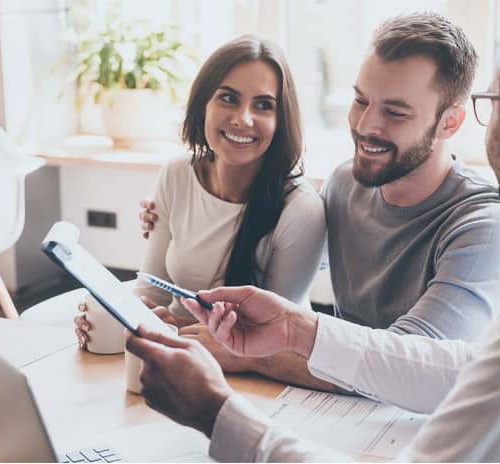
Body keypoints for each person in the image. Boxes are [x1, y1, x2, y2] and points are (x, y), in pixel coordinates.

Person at [127, 0, 500, 460]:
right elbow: (461, 368)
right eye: (360, 100)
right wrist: (300, 330)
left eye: (490, 105)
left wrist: (217, 413)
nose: (366, 125)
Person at [138, 12, 500, 390]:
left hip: (435, 434)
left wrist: (249, 355)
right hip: (336, 411)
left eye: (395, 112)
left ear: (450, 122)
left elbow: (409, 369)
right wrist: (178, 216)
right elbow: (284, 241)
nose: (365, 127)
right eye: (361, 101)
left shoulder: (489, 228)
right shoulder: (347, 183)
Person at [74, 35, 326, 354]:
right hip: (175, 352)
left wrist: (175, 329)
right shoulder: (177, 175)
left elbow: (275, 341)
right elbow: (151, 291)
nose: (243, 118)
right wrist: (111, 317)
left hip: (257, 373)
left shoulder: (301, 209)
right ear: (203, 104)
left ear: (280, 120)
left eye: (263, 105)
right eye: (228, 98)